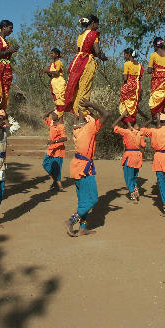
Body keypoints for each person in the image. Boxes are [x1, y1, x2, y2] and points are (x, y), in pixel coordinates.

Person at [64, 99, 109, 237]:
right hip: (84, 168)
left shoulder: (76, 129)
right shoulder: (89, 128)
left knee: (83, 199)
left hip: (77, 166)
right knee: (92, 199)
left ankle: (82, 227)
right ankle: (71, 221)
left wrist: (86, 110)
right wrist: (91, 104)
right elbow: (106, 114)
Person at [63, 15, 108, 117]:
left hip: (77, 61)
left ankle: (77, 116)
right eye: (97, 24)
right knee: (84, 88)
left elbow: (82, 48)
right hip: (86, 62)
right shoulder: (93, 34)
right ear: (93, 23)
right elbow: (97, 51)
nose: (98, 26)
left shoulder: (81, 35)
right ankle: (82, 115)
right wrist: (102, 57)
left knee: (76, 88)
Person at [112, 111, 146, 203]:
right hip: (138, 157)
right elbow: (143, 145)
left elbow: (114, 126)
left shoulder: (126, 132)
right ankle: (136, 191)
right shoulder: (139, 133)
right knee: (134, 176)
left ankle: (133, 195)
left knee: (128, 176)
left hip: (130, 156)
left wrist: (122, 116)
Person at [42, 109, 67, 191]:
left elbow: (64, 138)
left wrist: (54, 141)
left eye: (54, 115)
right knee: (45, 163)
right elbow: (44, 116)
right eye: (52, 114)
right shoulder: (51, 124)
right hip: (51, 149)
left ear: (58, 116)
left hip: (58, 150)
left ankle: (59, 186)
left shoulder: (61, 126)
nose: (52, 116)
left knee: (57, 168)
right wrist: (52, 109)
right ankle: (56, 181)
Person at [118, 48, 144, 126]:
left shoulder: (127, 64)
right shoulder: (139, 65)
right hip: (137, 87)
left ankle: (129, 126)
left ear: (128, 55)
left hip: (129, 87)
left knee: (123, 107)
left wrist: (123, 76)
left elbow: (125, 79)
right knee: (133, 107)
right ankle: (135, 126)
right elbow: (140, 78)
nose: (124, 56)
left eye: (125, 54)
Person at [42, 48, 66, 118]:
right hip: (54, 84)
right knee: (56, 101)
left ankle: (60, 118)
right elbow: (51, 75)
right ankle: (56, 116)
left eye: (52, 53)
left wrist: (47, 71)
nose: (51, 55)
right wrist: (46, 71)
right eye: (51, 53)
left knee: (60, 100)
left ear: (57, 54)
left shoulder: (58, 62)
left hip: (59, 83)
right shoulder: (52, 64)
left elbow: (57, 73)